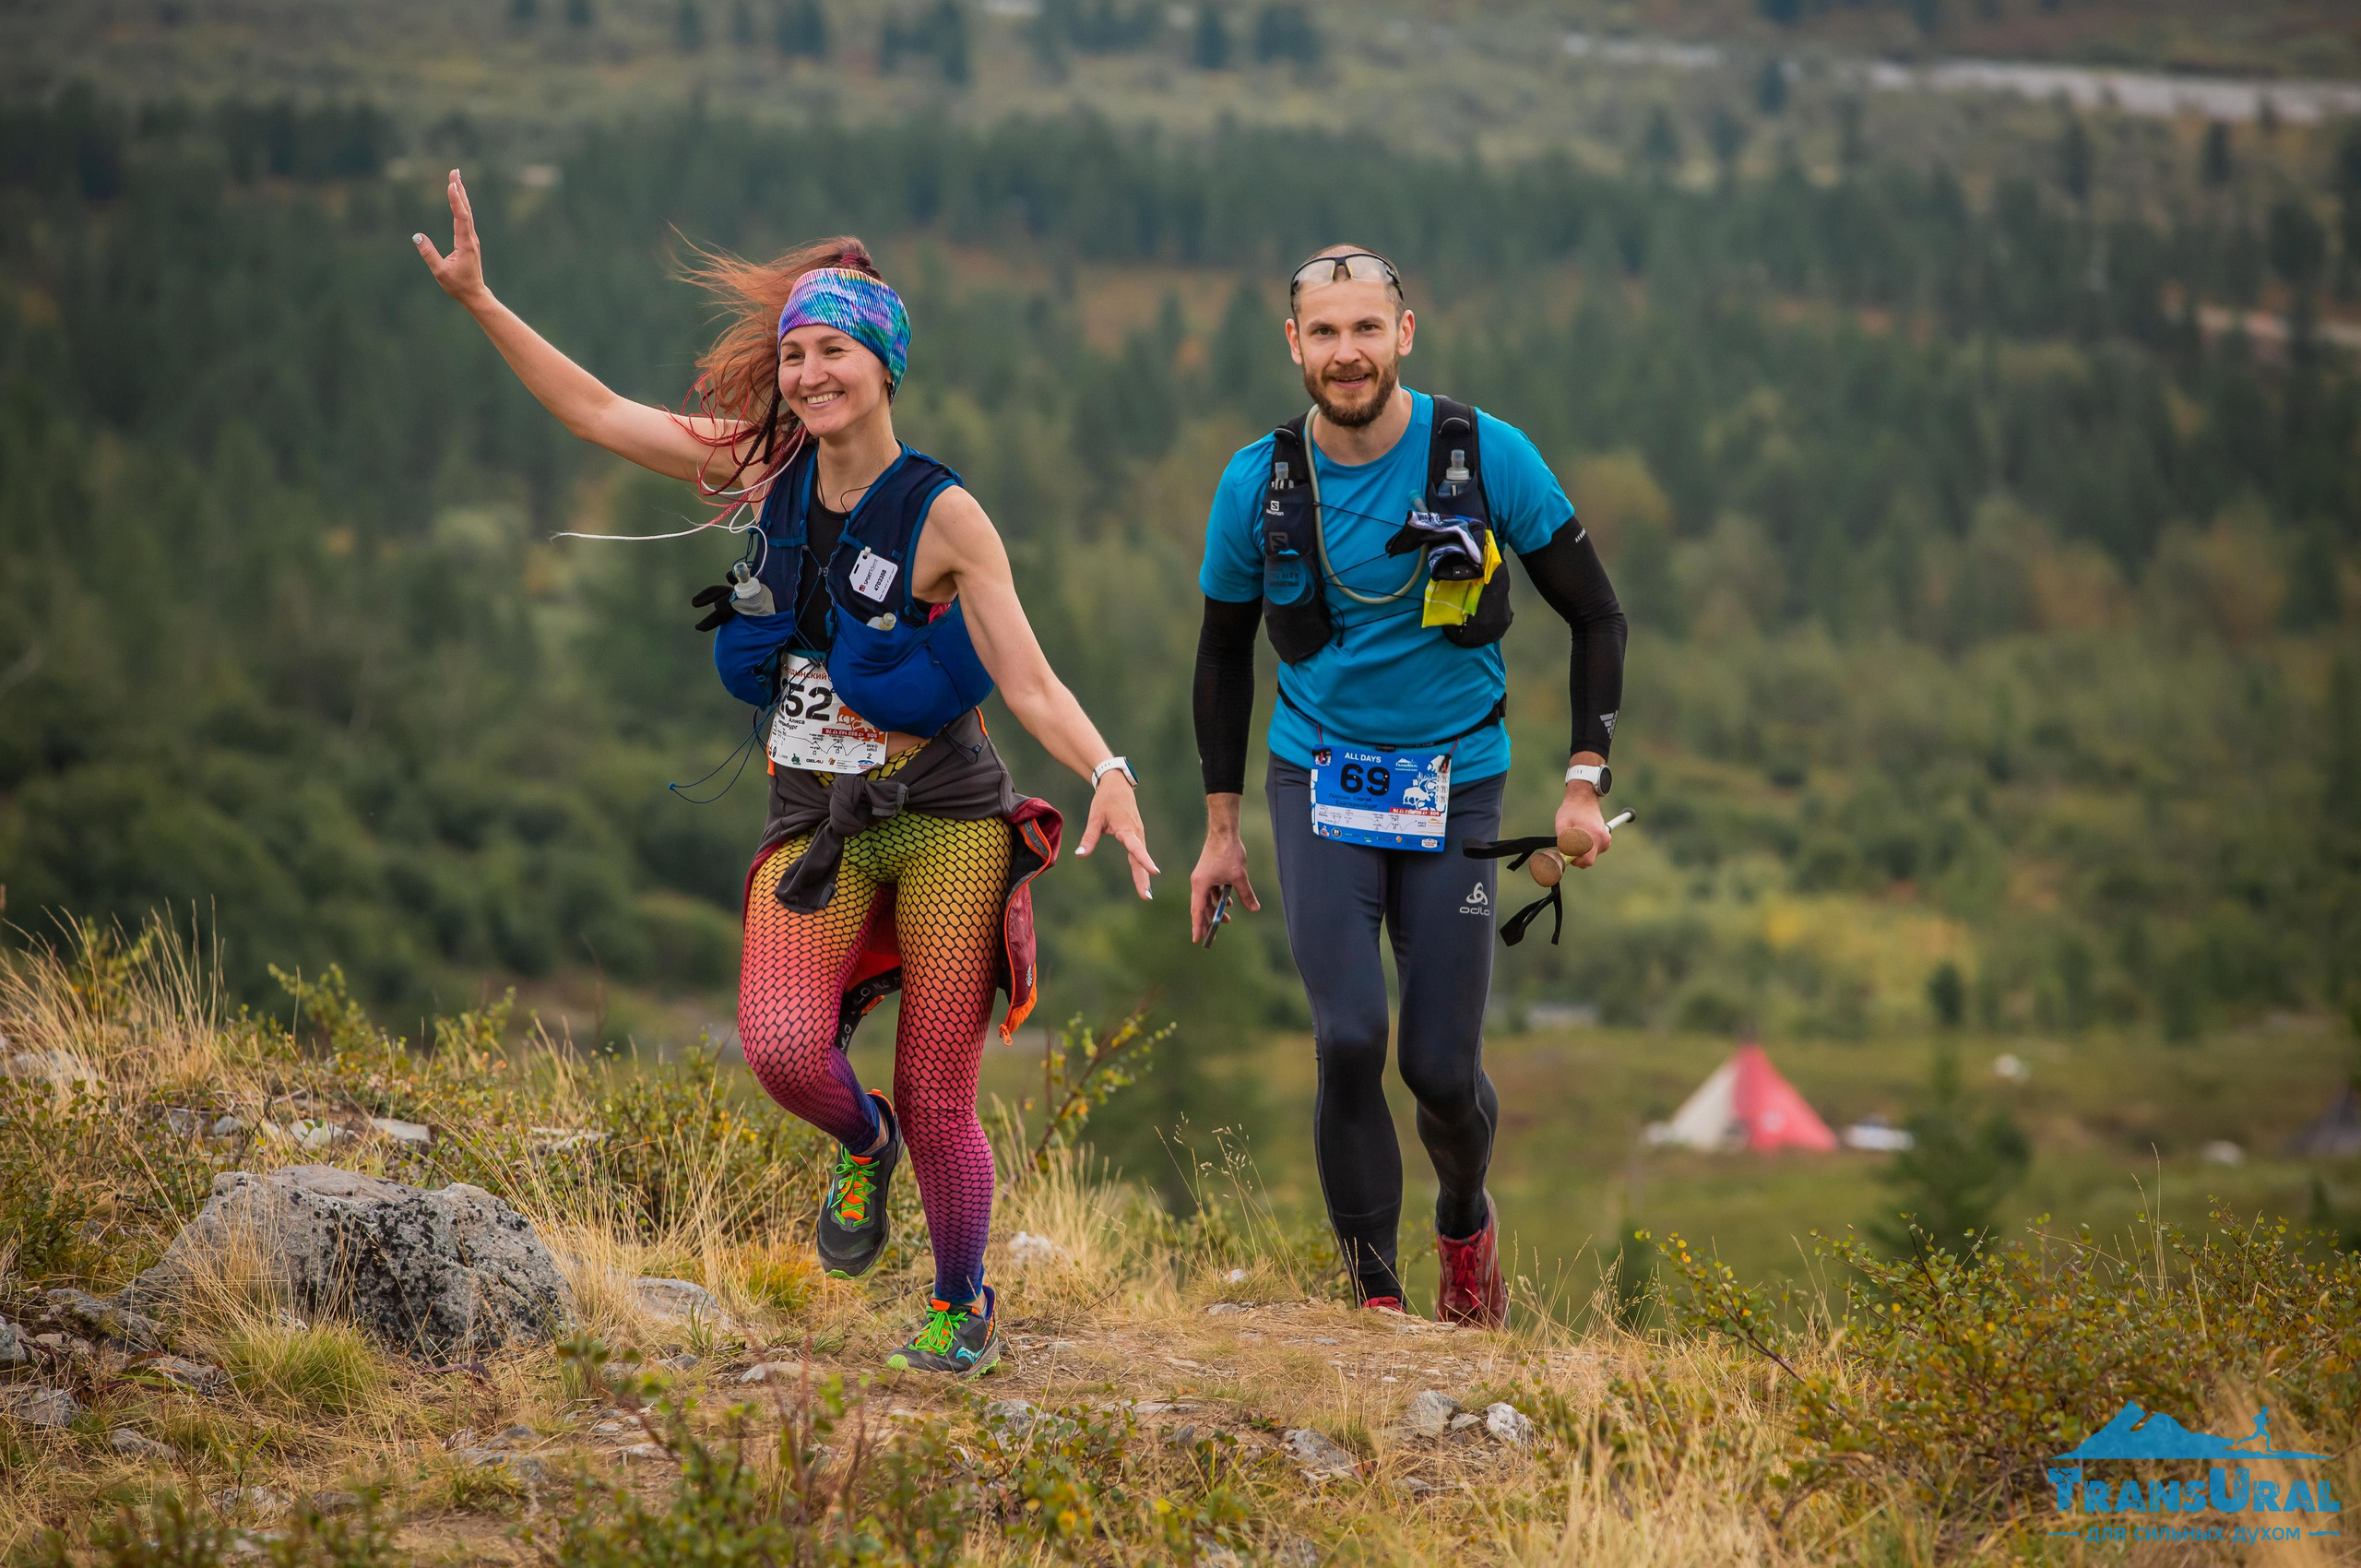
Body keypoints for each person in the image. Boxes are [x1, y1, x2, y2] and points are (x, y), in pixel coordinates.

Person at [415, 171, 1157, 1377]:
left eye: (834, 354)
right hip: (811, 817)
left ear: (886, 366)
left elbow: (1027, 682)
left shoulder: (947, 518)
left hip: (949, 823)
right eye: (796, 353)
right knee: (778, 1048)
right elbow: (601, 414)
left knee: (941, 1092)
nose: (810, 375)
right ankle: (860, 1149)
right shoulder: (762, 474)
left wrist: (1108, 769)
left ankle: (959, 1304)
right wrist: (481, 301)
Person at [1188, 245, 1627, 1324]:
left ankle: (1464, 1223)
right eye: (1325, 333)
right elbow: (1219, 655)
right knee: (1346, 1037)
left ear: (1405, 334)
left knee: (1438, 1065)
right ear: (1293, 343)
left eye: (1367, 330)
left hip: (1459, 788)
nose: (1348, 355)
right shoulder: (1257, 481)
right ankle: (1377, 1301)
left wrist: (1581, 781)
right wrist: (1221, 827)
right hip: (1319, 780)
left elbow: (1597, 615)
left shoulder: (1485, 455)